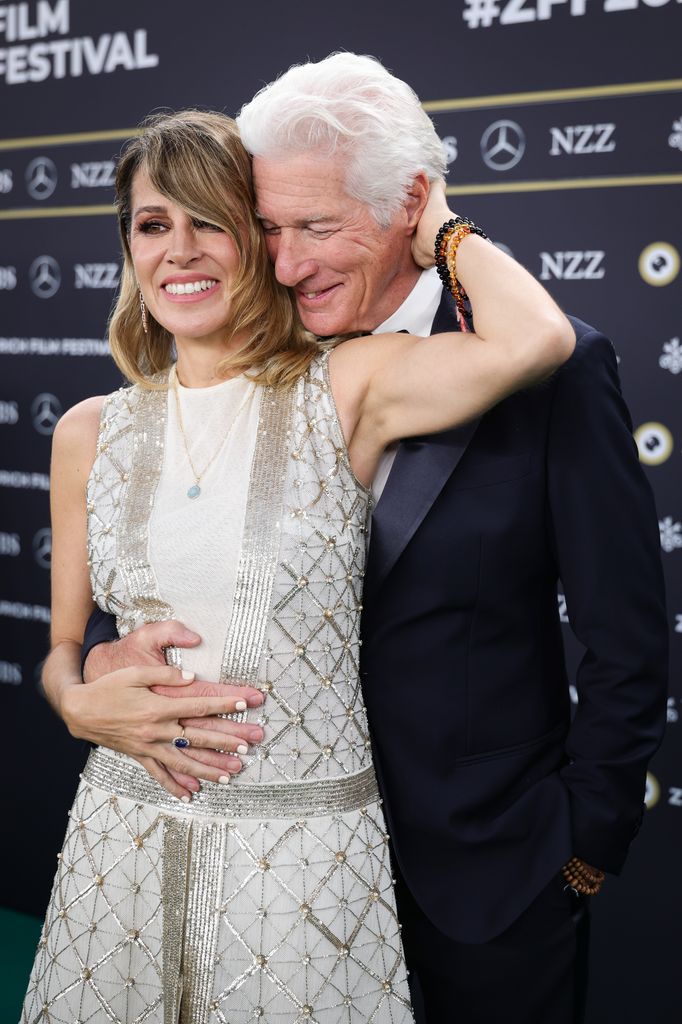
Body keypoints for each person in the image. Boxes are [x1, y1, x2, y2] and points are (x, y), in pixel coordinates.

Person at [23, 105, 574, 1024]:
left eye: (213, 223)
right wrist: (74, 699)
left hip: (304, 863)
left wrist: (435, 218)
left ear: (261, 242)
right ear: (129, 248)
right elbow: (64, 645)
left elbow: (536, 341)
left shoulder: (347, 383)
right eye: (155, 225)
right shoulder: (88, 431)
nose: (181, 251)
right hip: (121, 838)